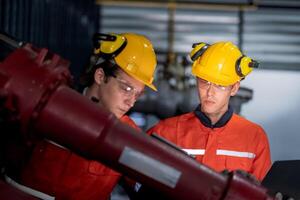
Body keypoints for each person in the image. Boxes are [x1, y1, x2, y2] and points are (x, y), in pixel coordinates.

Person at [5, 32, 157, 200]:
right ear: (100, 76)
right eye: (126, 88)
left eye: (138, 94)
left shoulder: (129, 136)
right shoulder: (50, 106)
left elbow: (147, 186)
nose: (131, 102)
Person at [147, 41, 271, 181]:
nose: (210, 92)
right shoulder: (165, 132)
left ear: (235, 88)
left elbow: (263, 193)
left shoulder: (254, 137)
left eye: (220, 85)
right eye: (204, 82)